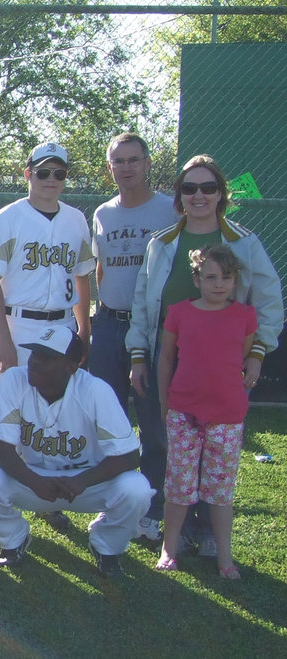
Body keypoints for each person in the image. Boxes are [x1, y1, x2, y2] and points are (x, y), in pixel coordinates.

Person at [128, 154, 283, 557]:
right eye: (189, 188)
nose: (199, 195)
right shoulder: (160, 242)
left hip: (224, 364)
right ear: (178, 196)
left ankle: (207, 528)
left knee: (218, 445)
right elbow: (144, 303)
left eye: (208, 187)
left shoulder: (243, 243)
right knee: (165, 437)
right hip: (171, 356)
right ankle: (163, 520)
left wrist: (258, 353)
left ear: (221, 194)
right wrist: (139, 355)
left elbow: (269, 303)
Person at [0, 326, 153, 579]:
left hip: (86, 481)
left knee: (137, 489)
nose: (35, 362)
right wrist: (35, 482)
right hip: (33, 477)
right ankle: (13, 541)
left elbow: (130, 456)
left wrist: (83, 480)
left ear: (71, 366)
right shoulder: (15, 380)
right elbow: (2, 450)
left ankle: (106, 547)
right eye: (35, 354)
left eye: (47, 358)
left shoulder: (95, 390)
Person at [88, 133, 178, 543]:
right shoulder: (103, 213)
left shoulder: (169, 211)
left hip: (153, 328)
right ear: (110, 168)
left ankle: (152, 508)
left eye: (133, 160)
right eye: (118, 161)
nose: (126, 168)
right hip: (109, 323)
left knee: (153, 419)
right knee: (109, 419)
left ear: (146, 163)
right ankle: (115, 502)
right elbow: (101, 269)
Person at [154, 245, 256, 579]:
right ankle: (169, 549)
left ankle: (224, 558)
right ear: (197, 279)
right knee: (179, 487)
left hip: (227, 416)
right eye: (211, 277)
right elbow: (167, 360)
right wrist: (165, 404)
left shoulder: (244, 316)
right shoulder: (179, 312)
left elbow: (239, 359)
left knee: (220, 492)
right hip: (183, 413)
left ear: (235, 280)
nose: (219, 284)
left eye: (227, 278)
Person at [0, 142, 95, 400]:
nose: (51, 179)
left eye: (59, 173)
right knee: (8, 412)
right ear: (28, 174)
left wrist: (84, 329)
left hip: (63, 326)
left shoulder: (76, 220)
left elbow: (81, 277)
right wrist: (3, 338)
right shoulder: (7, 218)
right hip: (19, 326)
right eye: (43, 172)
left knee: (57, 413)